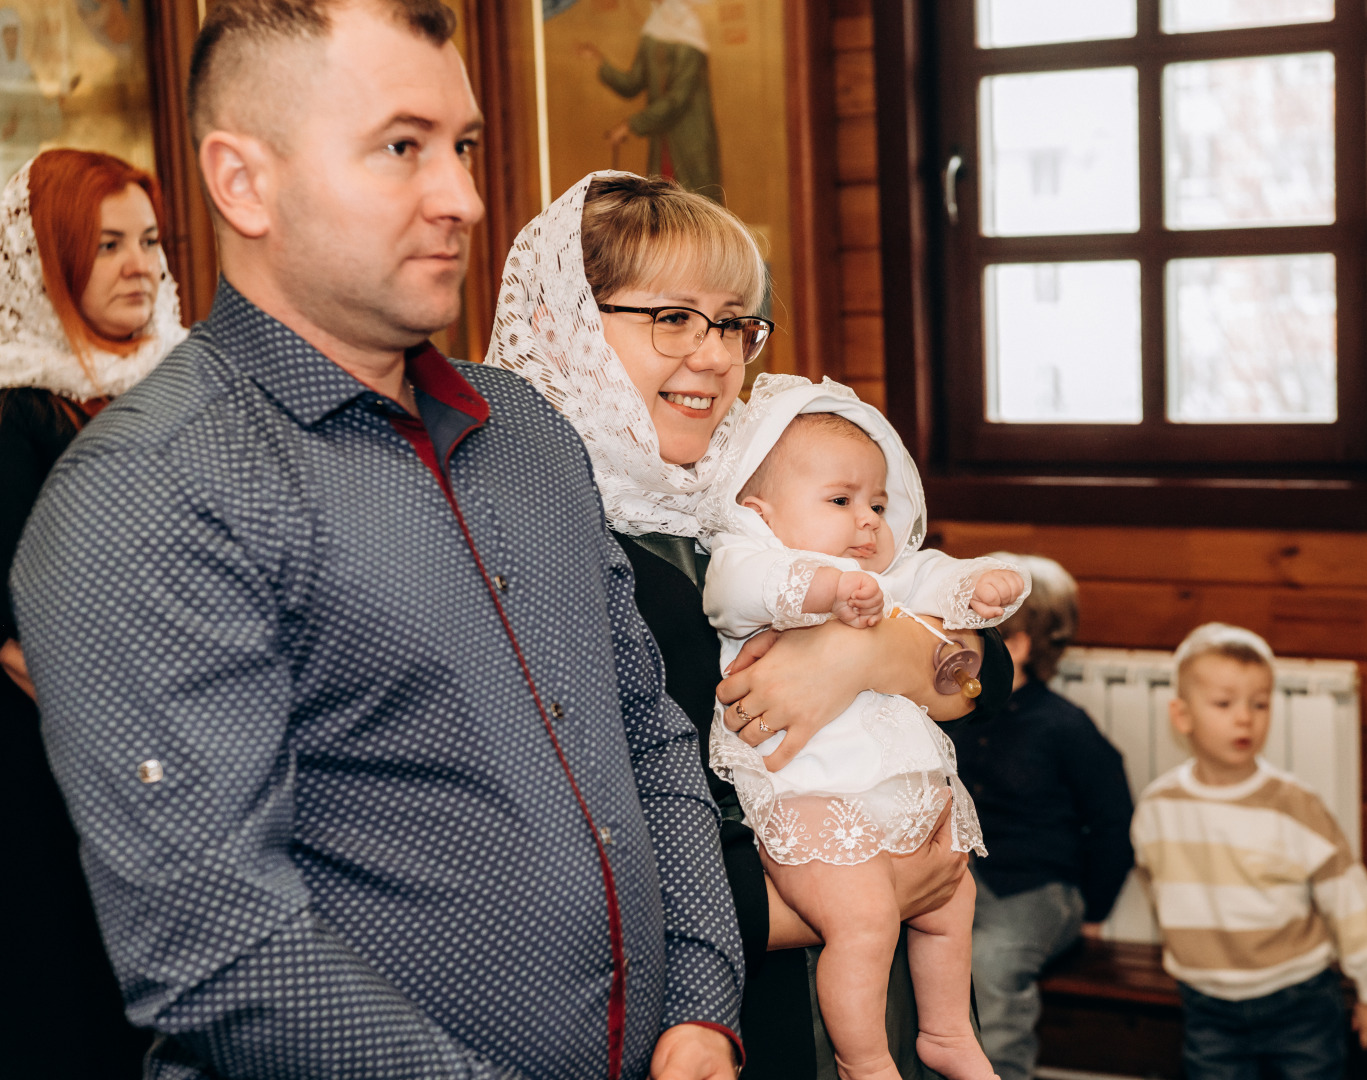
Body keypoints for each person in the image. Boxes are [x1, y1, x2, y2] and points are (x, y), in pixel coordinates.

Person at [12, 3, 743, 1078]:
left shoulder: (528, 431)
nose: (462, 198)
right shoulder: (147, 490)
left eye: (465, 148)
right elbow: (219, 949)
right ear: (243, 181)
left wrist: (699, 1003)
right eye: (402, 148)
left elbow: (648, 733)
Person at [487, 170, 1017, 1080]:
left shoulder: (748, 474)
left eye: (733, 321)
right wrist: (864, 895)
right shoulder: (531, 531)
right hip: (722, 1007)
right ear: (561, 327)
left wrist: (865, 654)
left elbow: (983, 679)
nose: (714, 354)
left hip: (888, 960)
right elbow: (568, 848)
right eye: (672, 319)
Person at [701, 376, 1027, 1080]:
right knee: (866, 919)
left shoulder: (879, 572)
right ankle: (864, 1058)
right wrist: (820, 590)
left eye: (877, 503)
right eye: (841, 501)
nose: (867, 521)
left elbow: (936, 587)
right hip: (810, 796)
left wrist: (979, 587)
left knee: (953, 895)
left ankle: (943, 1031)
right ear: (759, 512)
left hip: (896, 790)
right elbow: (734, 595)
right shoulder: (752, 557)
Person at [0, 146, 185, 1077]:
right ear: (48, 261)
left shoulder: (181, 394)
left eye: (149, 240)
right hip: (60, 793)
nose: (140, 265)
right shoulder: (19, 417)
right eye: (106, 243)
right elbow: (24, 645)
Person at [1132, 623, 1367, 1080]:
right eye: (1224, 704)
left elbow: (1349, 898)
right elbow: (1156, 883)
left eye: (1260, 704)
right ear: (1181, 716)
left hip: (1297, 998)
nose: (1246, 718)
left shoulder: (1295, 805)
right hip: (1207, 1004)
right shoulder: (1158, 808)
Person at [949, 553, 1134, 1080]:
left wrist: (1095, 909)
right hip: (963, 880)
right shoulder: (957, 714)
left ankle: (1001, 1071)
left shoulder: (1063, 727)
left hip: (1035, 890)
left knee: (992, 963)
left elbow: (1112, 820)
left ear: (1018, 645)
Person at [577, 0, 721, 200]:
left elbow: (677, 100)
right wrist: (601, 63)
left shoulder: (690, 31)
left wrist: (630, 125)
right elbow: (633, 83)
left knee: (695, 208)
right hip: (662, 142)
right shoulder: (653, 29)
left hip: (690, 142)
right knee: (662, 208)